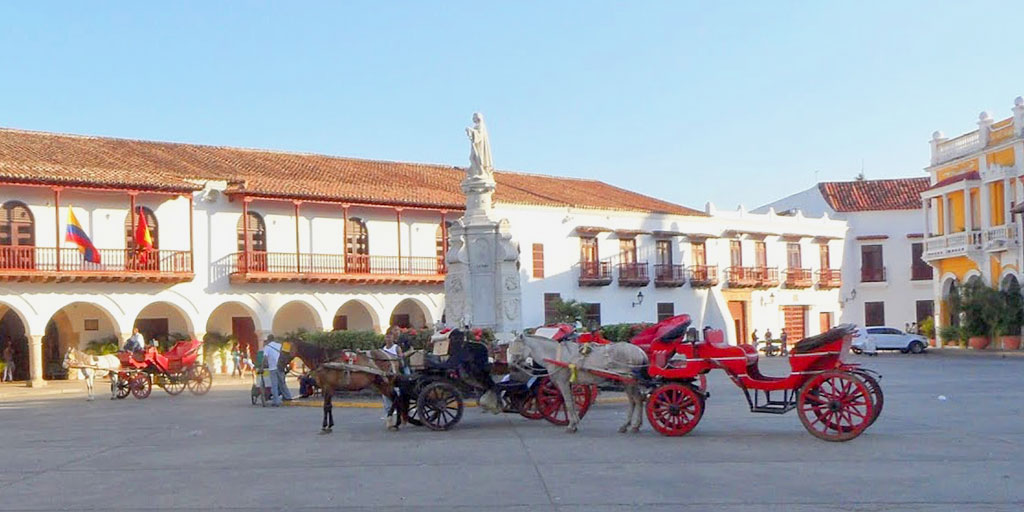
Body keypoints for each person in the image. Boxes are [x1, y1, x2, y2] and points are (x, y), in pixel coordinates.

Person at [263, 335, 292, 407]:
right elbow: (285, 354)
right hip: (280, 366)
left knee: (274, 385)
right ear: (274, 339)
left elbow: (265, 357)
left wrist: (263, 365)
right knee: (282, 383)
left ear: (268, 340)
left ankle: (276, 401)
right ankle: (288, 397)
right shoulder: (279, 345)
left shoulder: (267, 347)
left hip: (272, 368)